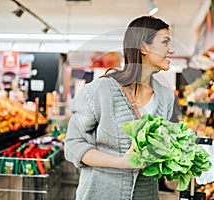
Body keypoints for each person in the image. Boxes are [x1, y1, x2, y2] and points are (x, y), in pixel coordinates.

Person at [64, 15, 177, 200]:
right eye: (165, 42)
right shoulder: (102, 90)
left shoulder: (166, 96)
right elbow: (73, 145)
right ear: (143, 47)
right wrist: (122, 162)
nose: (171, 50)